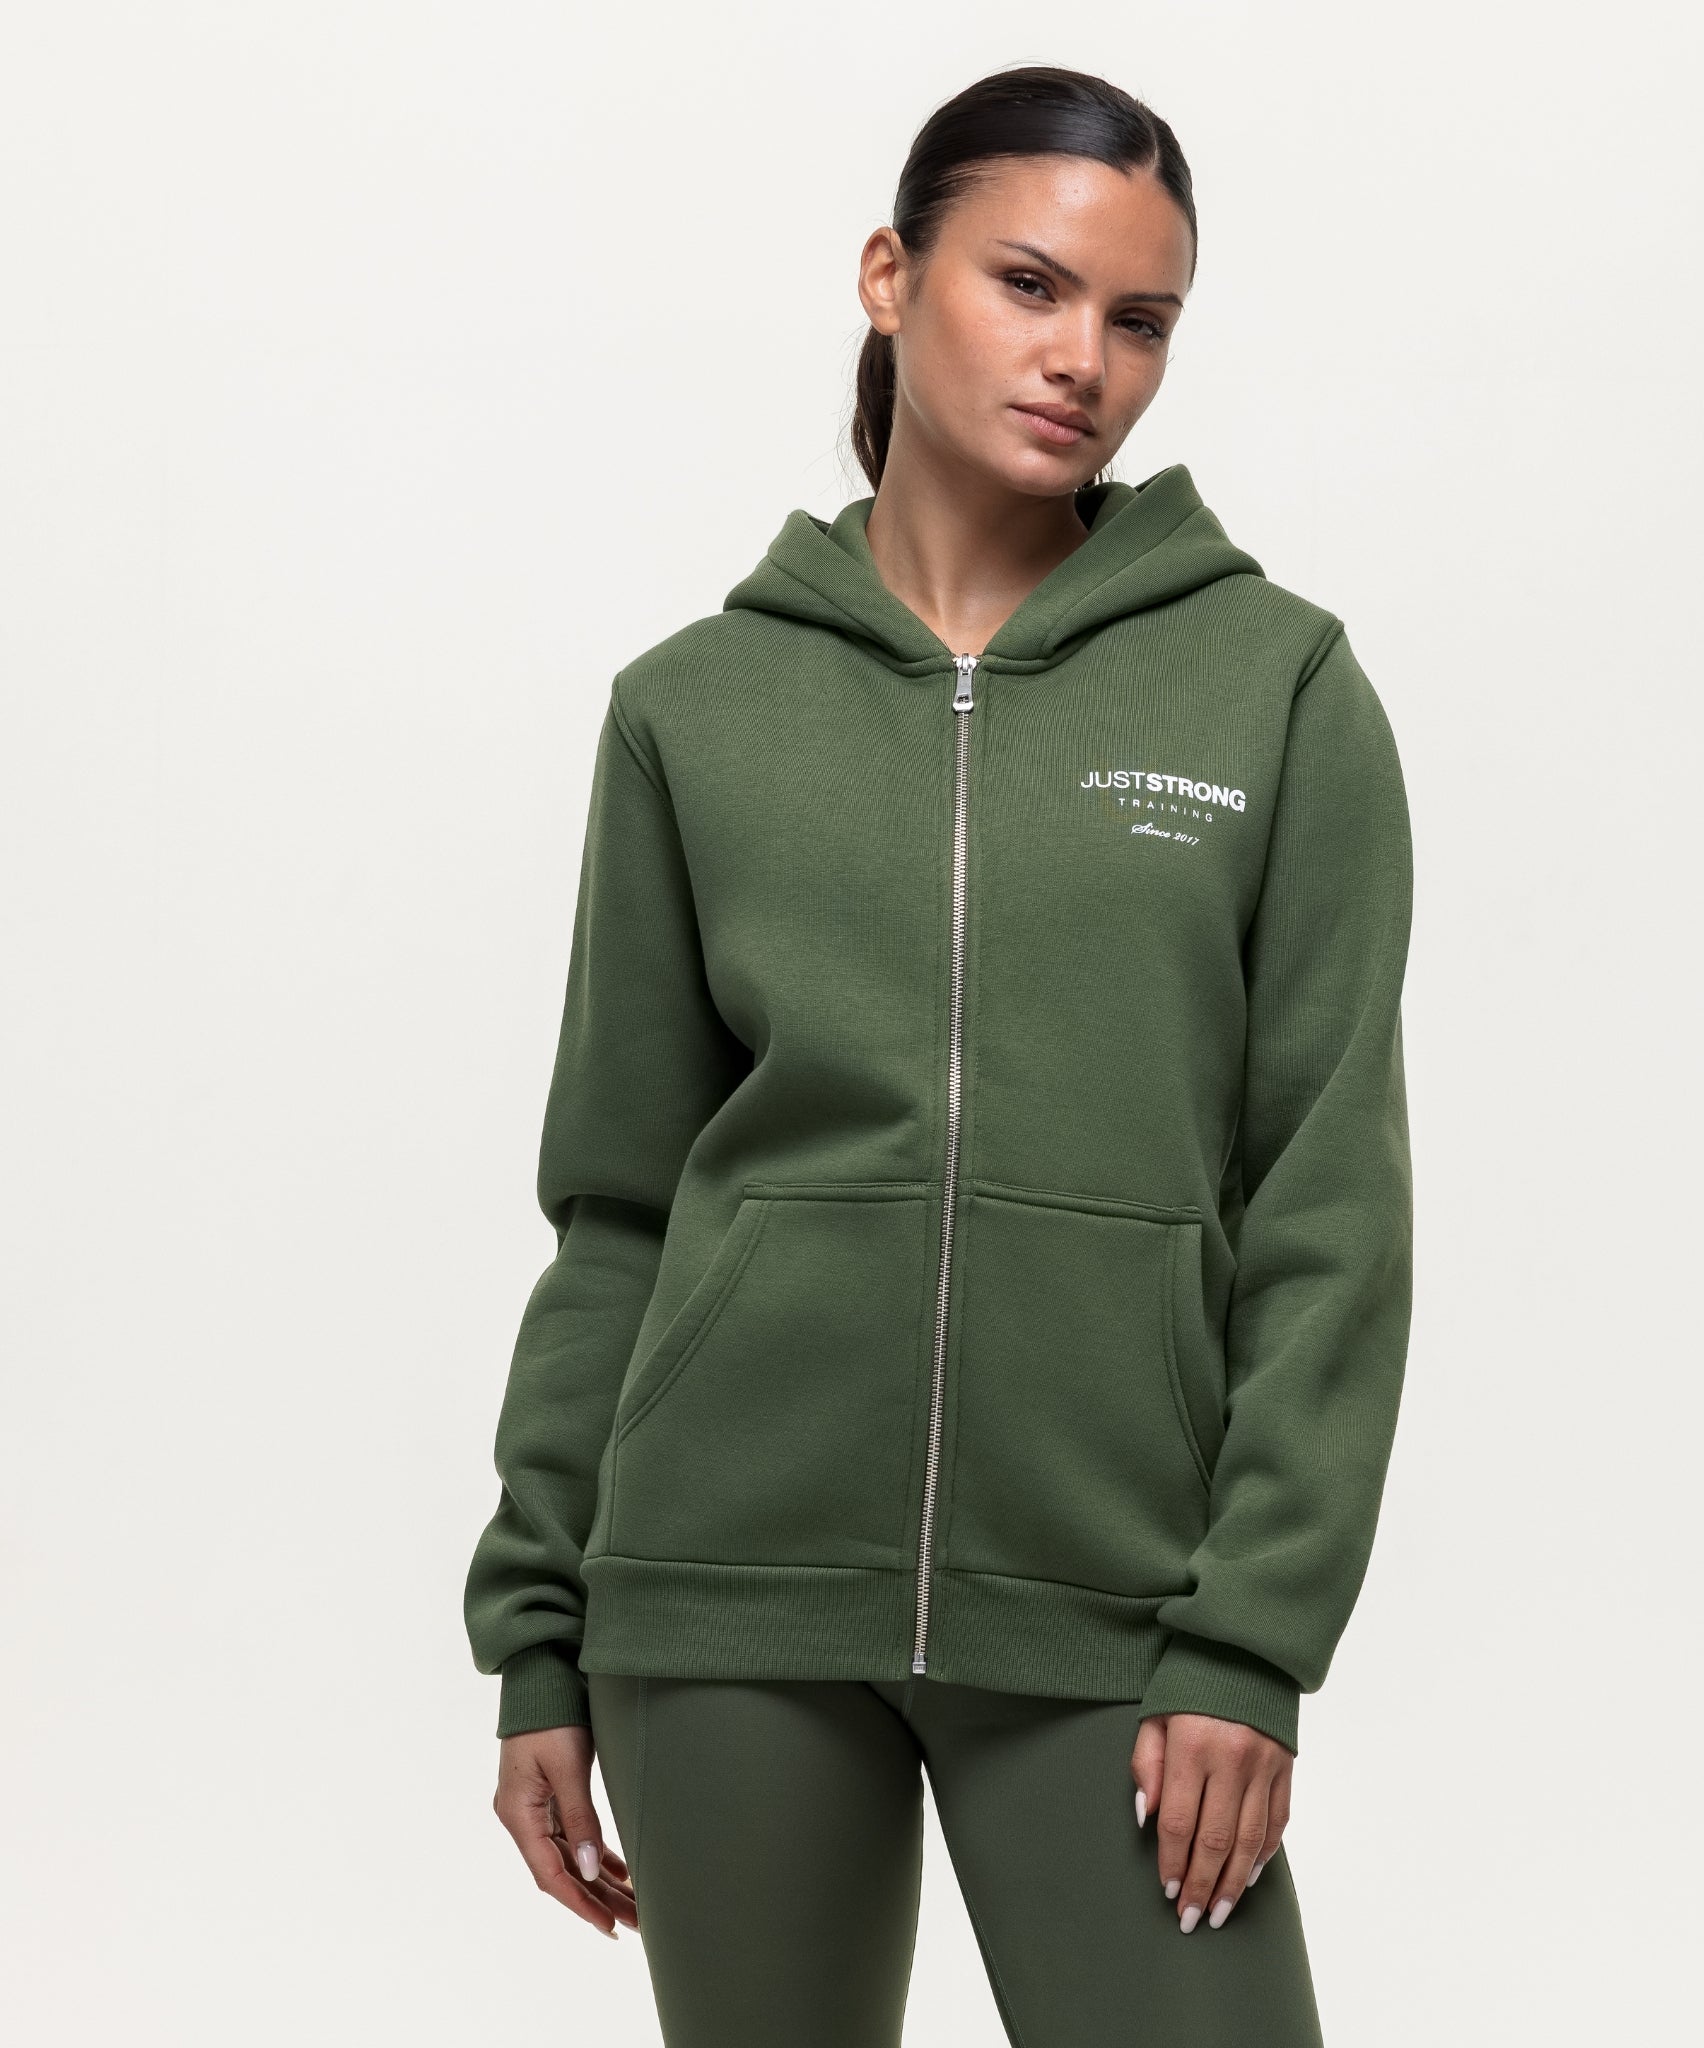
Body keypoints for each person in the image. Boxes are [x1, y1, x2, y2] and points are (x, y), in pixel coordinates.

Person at [462, 62, 1415, 2048]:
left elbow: (1325, 1207)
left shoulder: (1276, 688)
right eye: (1030, 284)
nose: (1083, 359)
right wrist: (537, 1627)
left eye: (1139, 318)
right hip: (717, 1597)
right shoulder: (695, 707)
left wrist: (1250, 1637)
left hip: (1117, 1602)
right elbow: (618, 1207)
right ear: (891, 277)